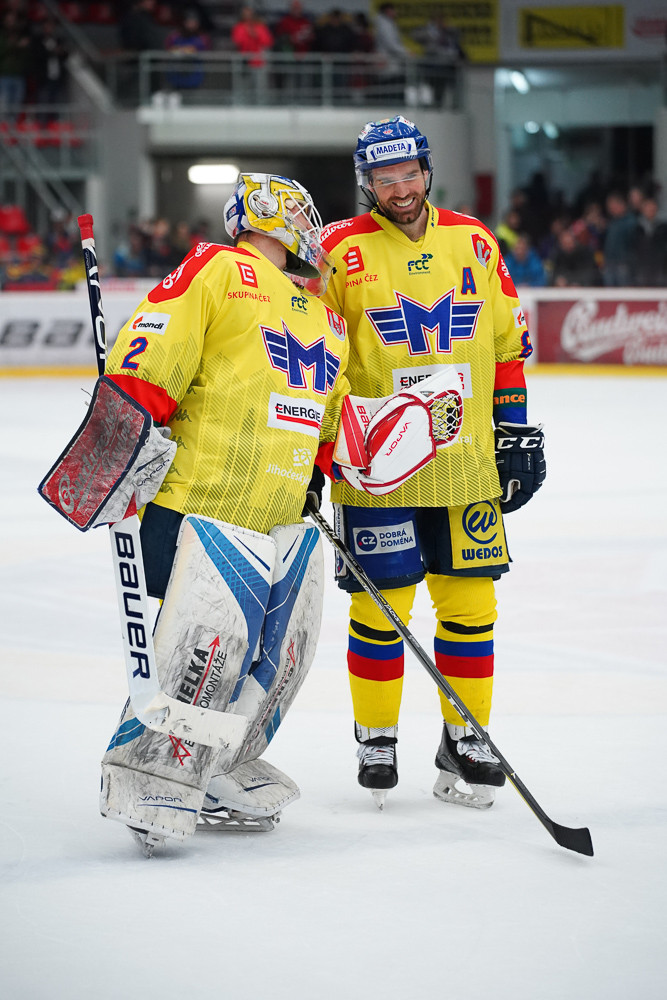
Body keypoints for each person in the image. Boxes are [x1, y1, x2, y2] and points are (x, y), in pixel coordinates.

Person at [40, 174, 350, 854]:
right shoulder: (218, 268)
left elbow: (326, 411)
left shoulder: (324, 315)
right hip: (195, 504)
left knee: (273, 657)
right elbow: (155, 351)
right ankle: (151, 768)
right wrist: (124, 430)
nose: (309, 228)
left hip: (274, 515)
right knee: (204, 647)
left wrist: (312, 480)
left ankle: (217, 761)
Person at [318, 116, 545, 810]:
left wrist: (513, 431)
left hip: (466, 460)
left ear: (426, 171)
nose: (400, 188)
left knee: (472, 604)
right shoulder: (337, 249)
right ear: (368, 183)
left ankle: (464, 736)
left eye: (408, 173)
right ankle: (376, 736)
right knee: (381, 607)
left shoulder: (473, 239)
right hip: (374, 466)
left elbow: (505, 345)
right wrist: (319, 448)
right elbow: (313, 353)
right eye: (384, 178)